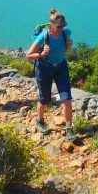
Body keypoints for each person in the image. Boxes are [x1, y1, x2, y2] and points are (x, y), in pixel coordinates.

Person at [26, 9, 77, 141]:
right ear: (52, 25)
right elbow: (28, 55)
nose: (61, 29)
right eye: (59, 26)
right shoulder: (43, 37)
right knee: (44, 99)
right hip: (44, 68)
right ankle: (40, 120)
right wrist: (41, 53)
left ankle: (69, 128)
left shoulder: (65, 33)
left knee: (67, 99)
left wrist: (68, 45)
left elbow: (63, 49)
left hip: (61, 67)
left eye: (63, 26)